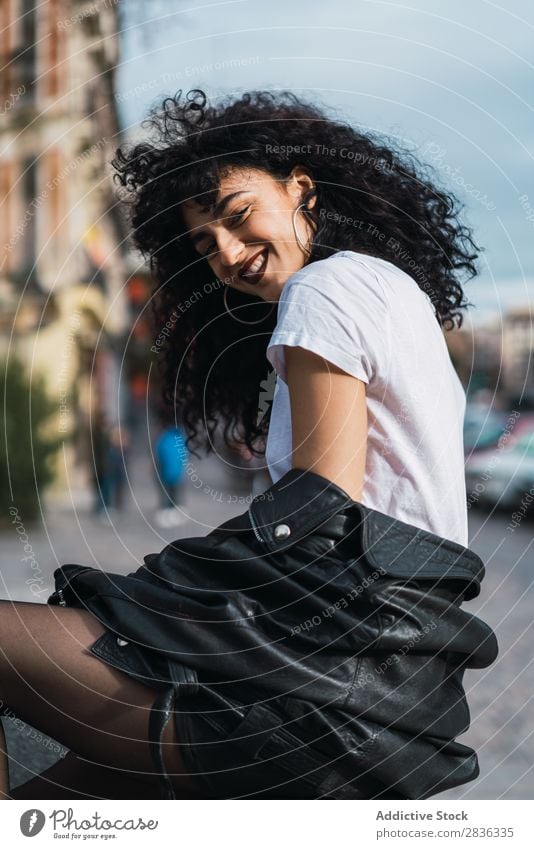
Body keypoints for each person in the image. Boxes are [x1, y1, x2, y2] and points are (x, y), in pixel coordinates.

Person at [0, 89, 497, 800]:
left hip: (322, 689)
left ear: (302, 188)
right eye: (205, 245)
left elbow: (320, 507)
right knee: (58, 802)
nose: (228, 253)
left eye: (238, 217)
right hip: (380, 682)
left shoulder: (325, 287)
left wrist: (149, 593)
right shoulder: (390, 290)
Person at [153, 424, 187, 527]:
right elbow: (185, 456)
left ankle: (165, 512)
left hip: (164, 472)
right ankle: (174, 513)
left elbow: (158, 454)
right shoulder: (180, 439)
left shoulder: (163, 439)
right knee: (175, 492)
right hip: (177, 473)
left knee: (165, 493)